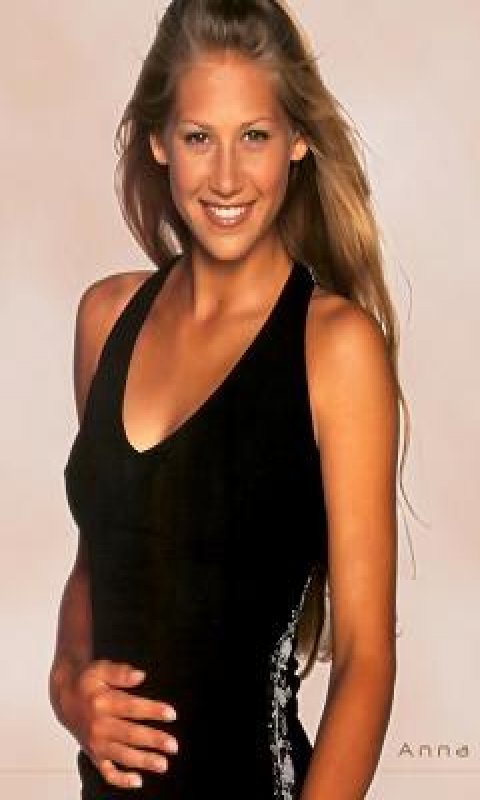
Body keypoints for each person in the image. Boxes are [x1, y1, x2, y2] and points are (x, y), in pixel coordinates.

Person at [50, 1, 409, 798]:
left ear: (297, 139)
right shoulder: (106, 320)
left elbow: (365, 661)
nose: (224, 177)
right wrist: (69, 683)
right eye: (197, 137)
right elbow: (96, 559)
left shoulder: (335, 350)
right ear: (158, 141)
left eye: (253, 136)